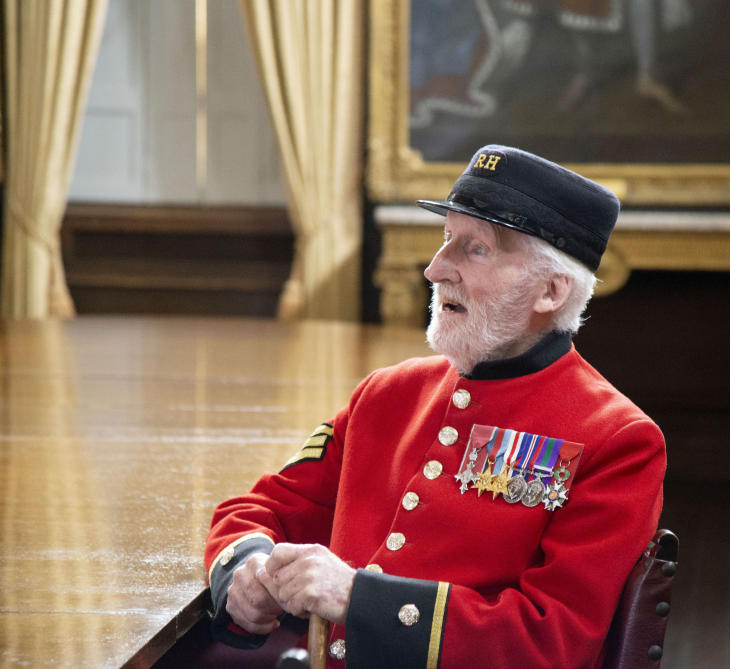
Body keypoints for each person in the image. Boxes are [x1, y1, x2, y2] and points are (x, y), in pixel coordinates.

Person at [204, 144, 667, 668]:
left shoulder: (617, 439)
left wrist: (358, 599)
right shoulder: (388, 395)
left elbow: (552, 642)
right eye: (446, 238)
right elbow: (259, 510)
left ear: (551, 291)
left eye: (476, 250)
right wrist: (245, 566)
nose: (434, 269)